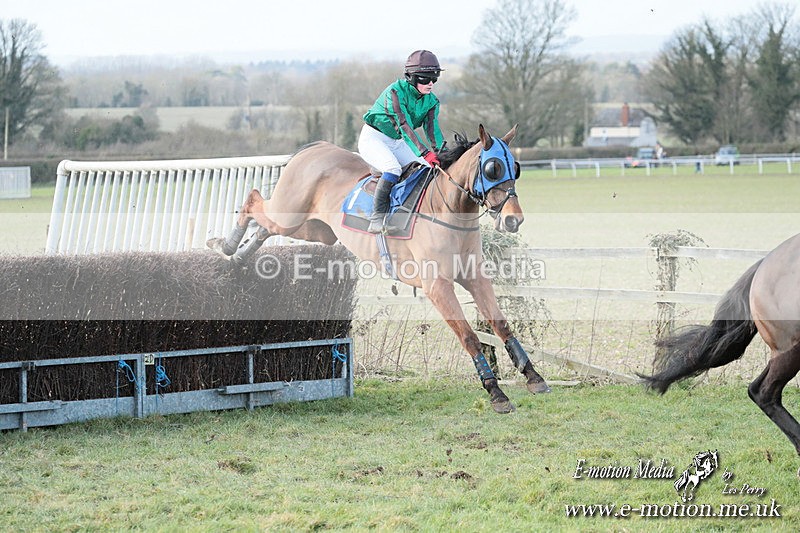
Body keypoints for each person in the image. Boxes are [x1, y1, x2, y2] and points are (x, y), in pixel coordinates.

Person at [358, 50, 445, 233]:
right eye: (425, 79)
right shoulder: (395, 93)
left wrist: (442, 153)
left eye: (434, 78)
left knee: (427, 170)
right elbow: (404, 126)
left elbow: (433, 130)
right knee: (393, 168)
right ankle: (377, 217)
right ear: (410, 77)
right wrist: (425, 153)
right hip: (374, 138)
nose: (430, 83)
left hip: (397, 141)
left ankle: (411, 213)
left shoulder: (432, 101)